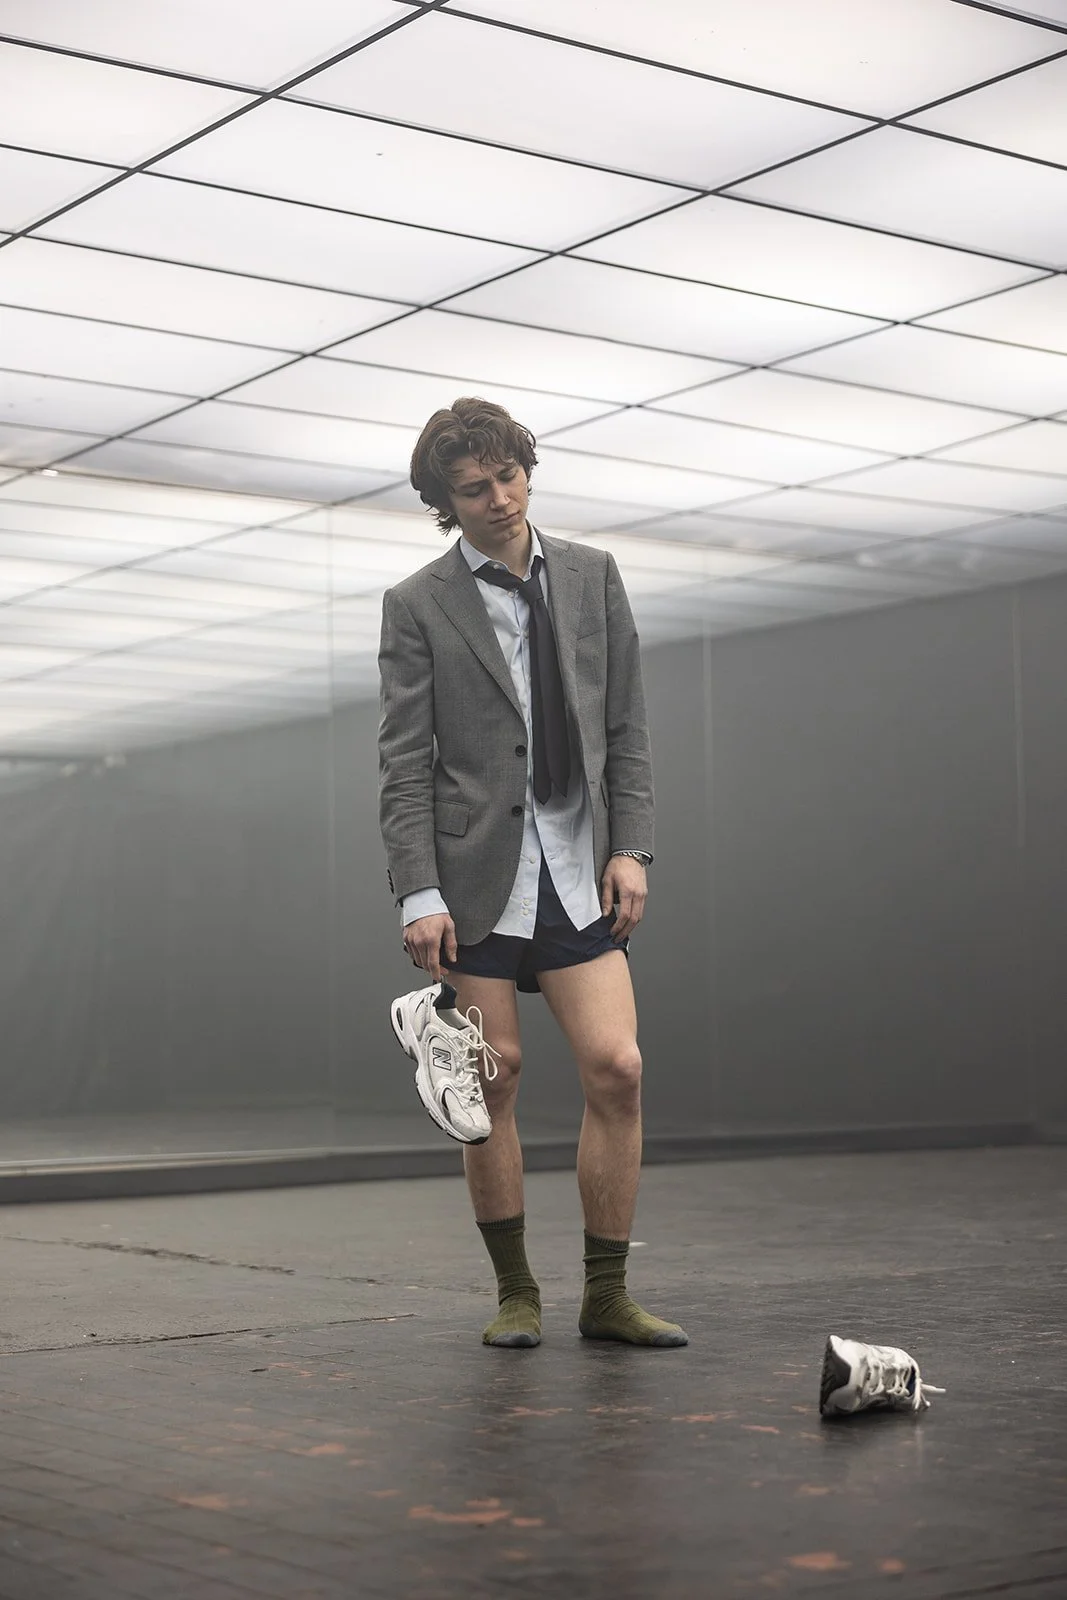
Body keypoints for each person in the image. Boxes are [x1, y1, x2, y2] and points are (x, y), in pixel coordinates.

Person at [377, 396, 687, 1351]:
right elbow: (404, 763)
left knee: (618, 1069)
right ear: (446, 502)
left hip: (576, 865)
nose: (500, 498)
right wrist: (418, 893)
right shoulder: (417, 602)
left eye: (509, 476)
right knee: (494, 1082)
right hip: (475, 877)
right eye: (474, 489)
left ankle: (607, 1295)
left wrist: (631, 847)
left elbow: (626, 727)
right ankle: (516, 1293)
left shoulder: (592, 576)